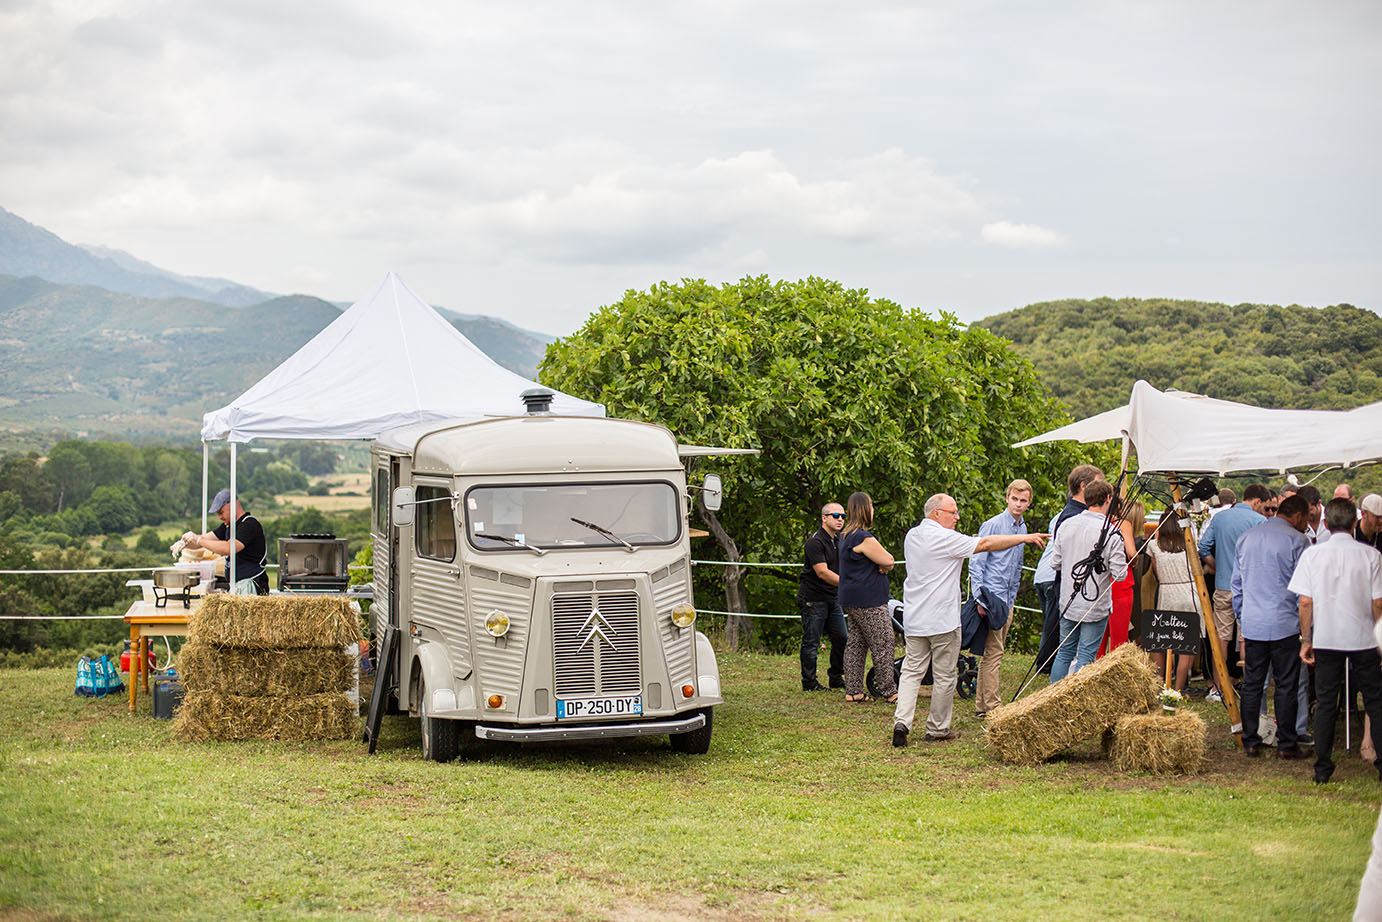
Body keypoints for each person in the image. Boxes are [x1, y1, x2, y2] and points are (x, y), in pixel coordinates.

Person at [891, 493, 1047, 745]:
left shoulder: (913, 535)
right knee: (944, 675)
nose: (957, 517)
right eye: (953, 512)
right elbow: (985, 544)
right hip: (942, 619)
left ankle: (902, 721)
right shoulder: (945, 538)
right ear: (936, 513)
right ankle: (937, 728)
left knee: (911, 672)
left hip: (914, 617)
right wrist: (1025, 538)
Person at [1289, 498, 1382, 784]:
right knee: (1375, 702)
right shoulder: (1371, 556)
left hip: (1327, 637)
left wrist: (1306, 639)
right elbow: (1377, 603)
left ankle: (1323, 767)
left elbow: (1305, 601)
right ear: (1355, 522)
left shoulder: (1313, 555)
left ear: (1326, 524)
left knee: (1327, 703)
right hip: (1364, 637)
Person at [1231, 493, 1311, 758]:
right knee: (1286, 684)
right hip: (1284, 622)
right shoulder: (1298, 541)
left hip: (1254, 622)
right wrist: (1306, 628)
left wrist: (1243, 616)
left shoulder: (1247, 538)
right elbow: (1304, 591)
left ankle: (1251, 740)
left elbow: (1236, 585)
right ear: (1298, 516)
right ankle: (1287, 744)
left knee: (1253, 682)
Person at [1048, 480, 1127, 681]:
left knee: (1064, 651)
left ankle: (1053, 695)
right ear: (1108, 499)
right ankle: (1077, 701)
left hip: (1068, 600)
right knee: (1086, 655)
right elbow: (1120, 575)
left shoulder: (1066, 524)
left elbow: (1055, 563)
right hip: (1095, 606)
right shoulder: (1111, 533)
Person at [1198, 483, 1270, 702]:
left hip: (1223, 585)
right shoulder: (1260, 522)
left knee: (1221, 637)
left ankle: (1218, 688)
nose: (1264, 510)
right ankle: (1250, 687)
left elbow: (1202, 548)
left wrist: (1217, 565)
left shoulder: (1220, 519)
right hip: (1249, 588)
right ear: (1257, 501)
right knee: (1246, 637)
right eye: (1264, 505)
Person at [969, 480, 1034, 718]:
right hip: (992, 596)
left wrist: (1013, 598)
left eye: (1023, 500)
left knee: (992, 652)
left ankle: (982, 706)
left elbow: (1016, 567)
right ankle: (994, 707)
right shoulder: (993, 525)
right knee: (994, 652)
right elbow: (976, 563)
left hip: (1007, 598)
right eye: (1015, 499)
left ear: (1029, 503)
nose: (1018, 504)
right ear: (1007, 498)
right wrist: (980, 599)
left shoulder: (1023, 529)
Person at [1034, 464, 1105, 675]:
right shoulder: (1073, 516)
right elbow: (1060, 559)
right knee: (1073, 648)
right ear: (1084, 487)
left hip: (1068, 586)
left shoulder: (1073, 513)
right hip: (1071, 588)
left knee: (1066, 646)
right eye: (1097, 485)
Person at [837, 492, 897, 703]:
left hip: (851, 598)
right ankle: (889, 691)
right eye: (871, 505)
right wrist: (881, 566)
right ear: (864, 509)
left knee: (856, 643)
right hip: (869, 599)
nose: (873, 509)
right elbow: (889, 560)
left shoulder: (845, 536)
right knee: (883, 642)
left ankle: (853, 691)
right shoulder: (863, 537)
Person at [1145, 505, 1200, 690]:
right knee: (1186, 648)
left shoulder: (1154, 545)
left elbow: (1156, 572)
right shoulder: (1190, 544)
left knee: (1164, 642)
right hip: (1189, 594)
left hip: (1167, 594)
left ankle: (1162, 686)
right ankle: (1178, 689)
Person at [797, 502, 848, 691]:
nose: (840, 519)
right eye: (835, 515)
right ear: (824, 518)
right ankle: (809, 682)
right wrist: (849, 586)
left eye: (843, 516)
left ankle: (836, 677)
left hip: (832, 598)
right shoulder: (815, 542)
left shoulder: (840, 540)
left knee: (842, 637)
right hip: (813, 598)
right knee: (812, 641)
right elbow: (822, 572)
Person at [184, 489, 269, 595]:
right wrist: (184, 543)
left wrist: (198, 539)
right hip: (236, 585)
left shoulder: (249, 524)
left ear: (232, 504)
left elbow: (229, 548)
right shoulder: (228, 526)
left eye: (221, 512)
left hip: (251, 586)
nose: (219, 517)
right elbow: (204, 539)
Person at [1101, 499, 1145, 658]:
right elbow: (1132, 553)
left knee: (1098, 637)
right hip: (1120, 583)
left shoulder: (1098, 523)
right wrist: (1134, 562)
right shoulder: (1122, 524)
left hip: (1099, 583)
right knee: (1118, 639)